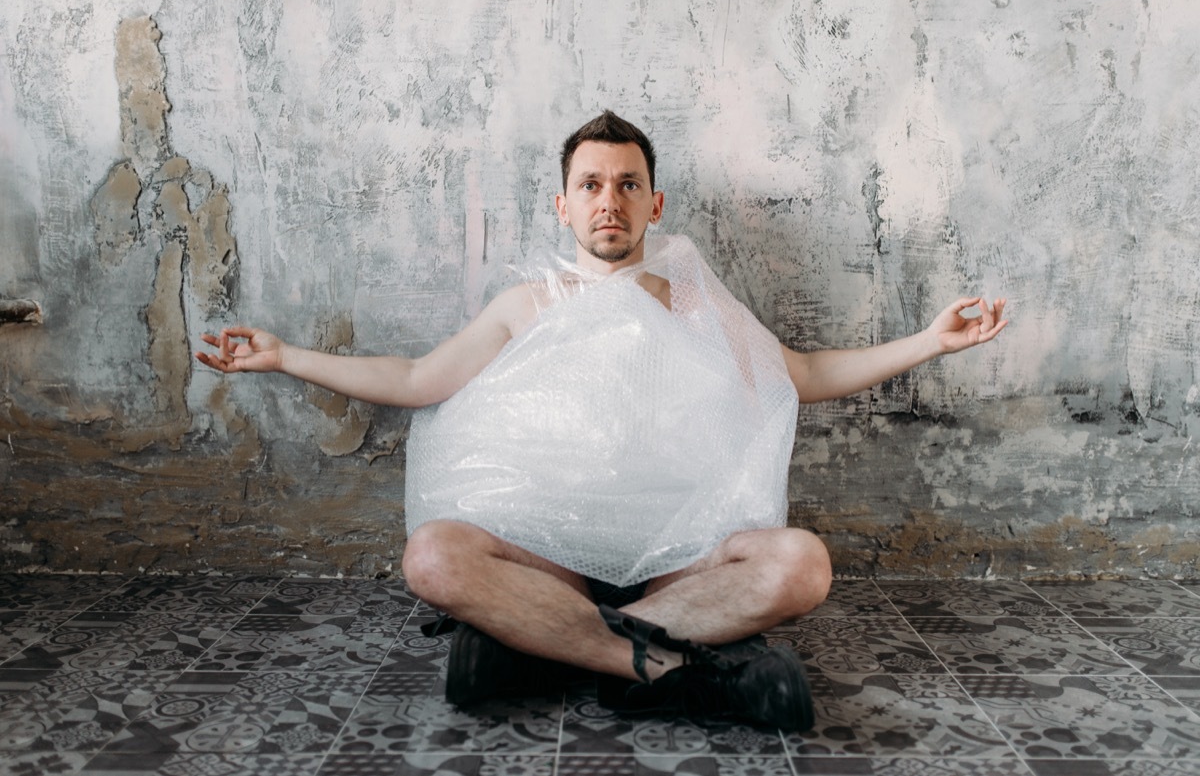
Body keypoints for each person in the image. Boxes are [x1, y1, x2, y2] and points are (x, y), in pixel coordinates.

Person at [197, 110, 1007, 732]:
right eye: (591, 184)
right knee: (433, 556)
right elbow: (414, 378)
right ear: (563, 204)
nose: (608, 200)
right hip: (552, 553)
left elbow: (800, 374)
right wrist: (283, 356)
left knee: (804, 567)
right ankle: (661, 666)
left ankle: (542, 648)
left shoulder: (695, 300)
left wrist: (930, 342)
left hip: (681, 557)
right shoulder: (529, 304)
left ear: (653, 202)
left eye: (626, 184)